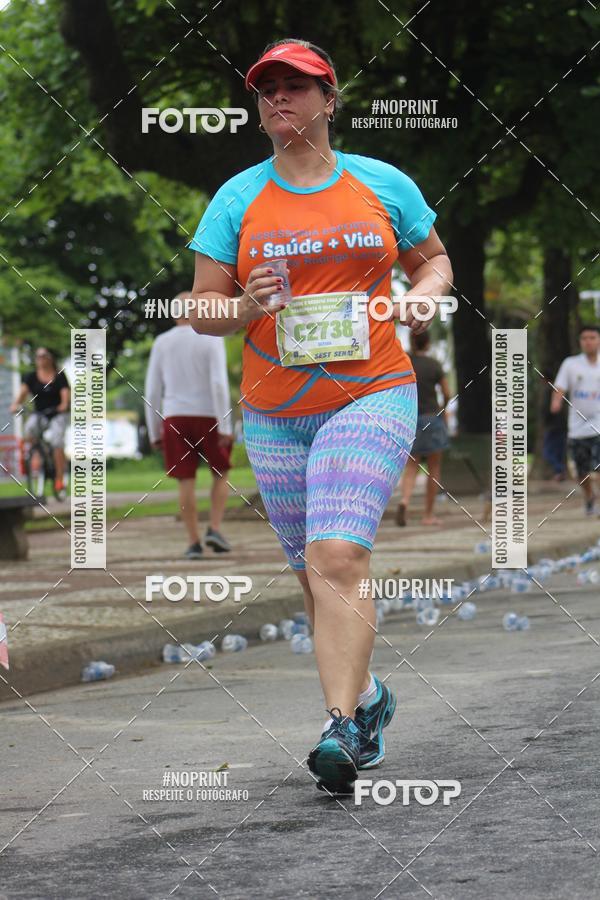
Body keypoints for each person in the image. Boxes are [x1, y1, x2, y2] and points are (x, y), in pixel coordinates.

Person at [188, 39, 453, 794]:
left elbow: (433, 259)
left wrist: (422, 298)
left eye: (296, 87)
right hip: (276, 411)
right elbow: (200, 309)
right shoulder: (237, 198)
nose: (279, 99)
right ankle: (369, 702)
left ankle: (338, 725)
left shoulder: (381, 184)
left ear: (329, 100)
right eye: (267, 88)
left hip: (371, 391)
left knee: (338, 556)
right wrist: (245, 304)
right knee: (314, 573)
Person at [144, 294, 234, 558]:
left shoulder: (162, 342)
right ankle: (214, 528)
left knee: (185, 480)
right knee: (221, 472)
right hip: (209, 415)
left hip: (174, 416)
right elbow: (218, 383)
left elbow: (152, 390)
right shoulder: (212, 338)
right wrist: (225, 425)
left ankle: (193, 541)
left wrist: (154, 430)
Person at [395, 331, 451, 526]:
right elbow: (447, 391)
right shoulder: (434, 365)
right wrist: (443, 409)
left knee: (412, 466)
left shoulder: (404, 362)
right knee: (434, 467)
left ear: (411, 341)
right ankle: (428, 515)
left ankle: (405, 501)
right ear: (427, 343)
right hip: (432, 417)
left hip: (410, 419)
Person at [551, 325, 600, 515]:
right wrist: (556, 402)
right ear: (580, 341)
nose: (588, 341)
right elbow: (560, 387)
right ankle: (589, 496)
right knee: (581, 471)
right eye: (584, 338)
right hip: (577, 426)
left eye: (592, 337)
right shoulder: (571, 364)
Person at [11, 347, 70, 497]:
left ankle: (59, 478)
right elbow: (22, 394)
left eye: (43, 355)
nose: (40, 359)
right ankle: (38, 453)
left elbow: (65, 397)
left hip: (57, 413)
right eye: (38, 356)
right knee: (30, 428)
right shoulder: (31, 377)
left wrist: (63, 406)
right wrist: (15, 404)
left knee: (57, 441)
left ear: (50, 358)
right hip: (40, 413)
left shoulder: (59, 376)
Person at [541, 373, 568, 481]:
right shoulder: (560, 391)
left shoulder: (549, 391)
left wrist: (546, 421)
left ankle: (559, 470)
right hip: (561, 426)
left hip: (553, 426)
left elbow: (549, 410)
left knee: (547, 452)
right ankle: (559, 472)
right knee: (559, 452)